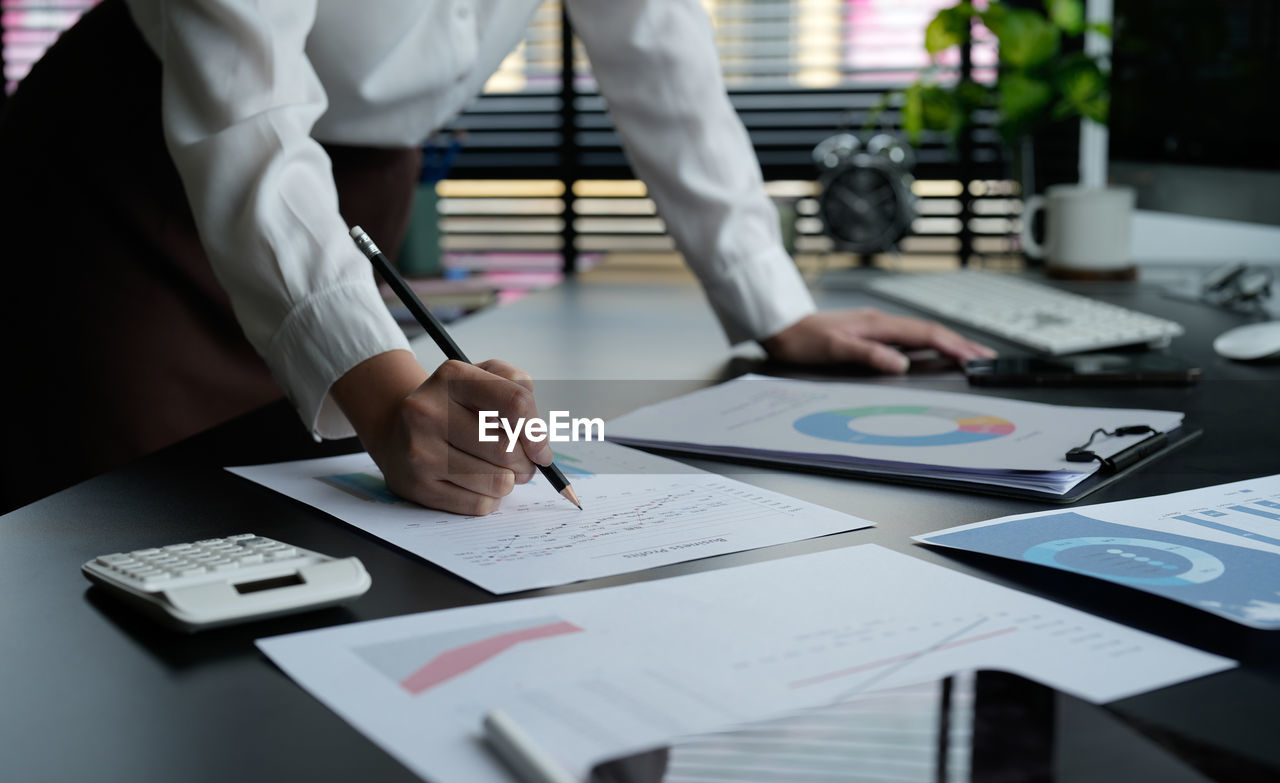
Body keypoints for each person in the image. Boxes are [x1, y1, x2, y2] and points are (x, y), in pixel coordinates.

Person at [0, 0, 993, 514]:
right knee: (122, 539)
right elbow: (246, 118)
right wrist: (387, 395)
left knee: (308, 534)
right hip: (124, 190)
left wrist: (773, 302)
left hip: (347, 197)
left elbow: (655, 46)